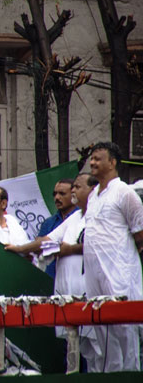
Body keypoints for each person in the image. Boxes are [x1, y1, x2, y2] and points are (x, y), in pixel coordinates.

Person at [6, 173, 100, 369]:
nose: (74, 191)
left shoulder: (99, 214)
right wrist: (20, 248)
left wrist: (69, 249)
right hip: (65, 289)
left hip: (88, 287)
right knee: (74, 346)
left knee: (97, 349)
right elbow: (47, 240)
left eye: (77, 187)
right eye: (72, 187)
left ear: (93, 190)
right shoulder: (75, 217)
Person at [82, 142, 143, 372]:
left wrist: (124, 258)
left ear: (113, 162)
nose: (92, 163)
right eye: (92, 159)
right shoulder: (93, 196)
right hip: (94, 271)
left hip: (119, 270)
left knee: (124, 327)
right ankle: (108, 374)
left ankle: (129, 375)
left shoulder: (124, 192)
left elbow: (140, 232)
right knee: (100, 325)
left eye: (98, 158)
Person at [37, 179, 77, 278]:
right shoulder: (48, 223)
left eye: (62, 194)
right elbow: (39, 248)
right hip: (51, 281)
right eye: (55, 194)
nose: (57, 197)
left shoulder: (82, 219)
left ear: (74, 195)